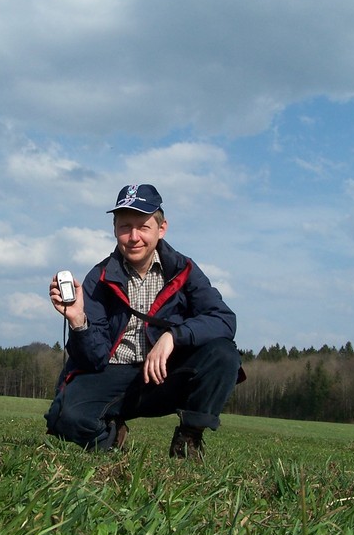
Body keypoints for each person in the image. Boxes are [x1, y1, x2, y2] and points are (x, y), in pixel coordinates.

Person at [45, 183, 244, 460]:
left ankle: (189, 437)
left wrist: (174, 336)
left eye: (143, 227)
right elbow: (94, 360)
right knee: (62, 416)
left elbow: (223, 320)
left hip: (165, 375)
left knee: (223, 353)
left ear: (161, 229)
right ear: (115, 230)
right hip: (115, 375)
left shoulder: (184, 270)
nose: (134, 237)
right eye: (125, 227)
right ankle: (112, 436)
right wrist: (79, 321)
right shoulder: (98, 278)